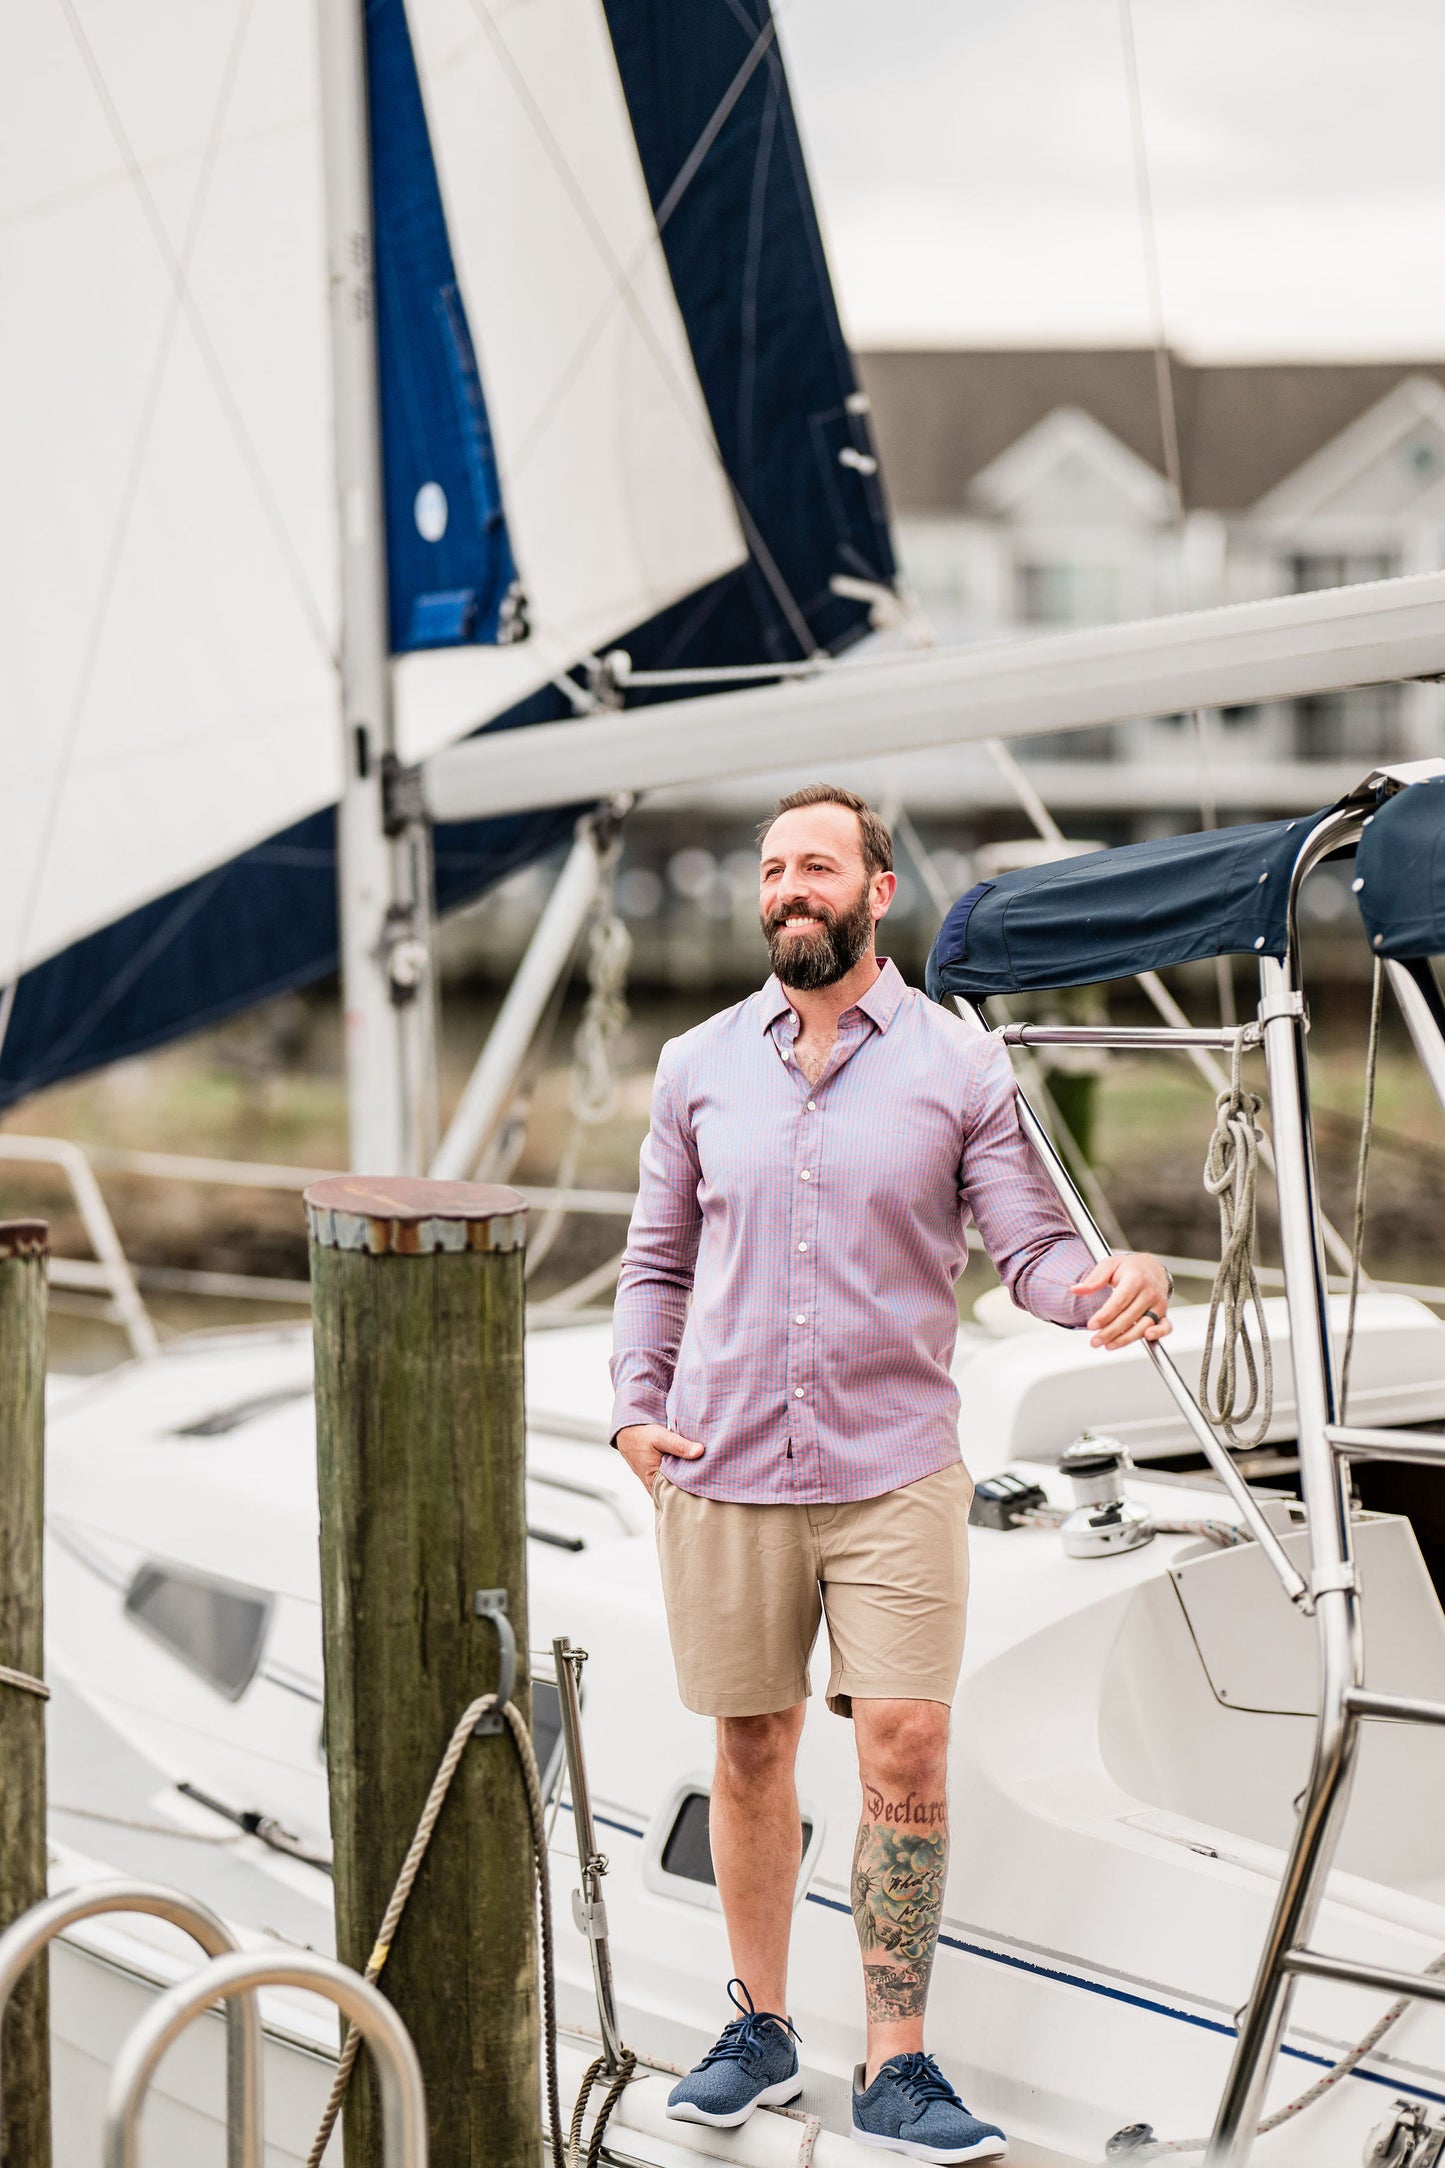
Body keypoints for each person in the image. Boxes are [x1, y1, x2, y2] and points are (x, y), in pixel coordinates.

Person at [610, 785, 1172, 2166]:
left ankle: (895, 2063)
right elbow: (657, 1263)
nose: (786, 887)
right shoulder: (694, 1066)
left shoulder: (956, 1067)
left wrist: (1111, 1280)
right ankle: (756, 2025)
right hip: (725, 1459)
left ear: (876, 891)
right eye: (770, 868)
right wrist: (632, 1411)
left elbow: (1029, 1249)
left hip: (894, 1469)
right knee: (750, 1746)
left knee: (905, 1747)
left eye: (817, 866)